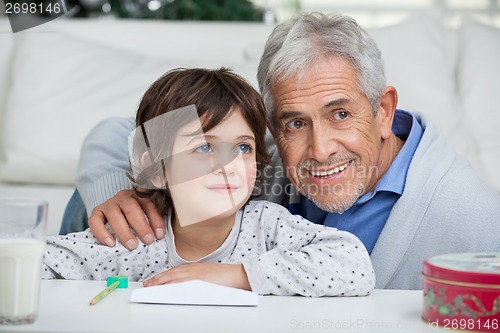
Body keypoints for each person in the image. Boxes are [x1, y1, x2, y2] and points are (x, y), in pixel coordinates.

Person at [62, 12, 500, 290]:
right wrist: (114, 188)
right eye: (294, 122)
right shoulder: (251, 155)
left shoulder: (471, 218)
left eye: (341, 114)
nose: (320, 149)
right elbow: (118, 130)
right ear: (272, 126)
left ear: (383, 111)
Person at [44, 67, 375, 296]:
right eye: (204, 147)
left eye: (242, 148)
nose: (228, 165)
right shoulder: (136, 239)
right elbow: (35, 261)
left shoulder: (267, 228)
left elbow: (355, 265)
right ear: (156, 169)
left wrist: (238, 276)